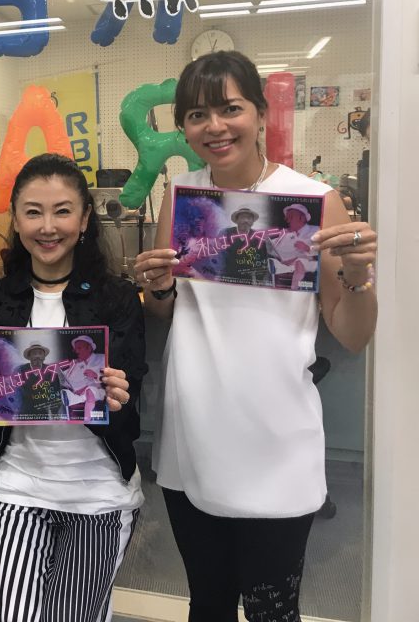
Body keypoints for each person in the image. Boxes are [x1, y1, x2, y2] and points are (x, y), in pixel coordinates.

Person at [134, 51, 377, 622]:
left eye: (230, 108)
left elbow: (351, 333)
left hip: (276, 437)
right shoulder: (183, 196)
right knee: (209, 604)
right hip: (194, 430)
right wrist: (157, 287)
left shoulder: (312, 201)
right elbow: (165, 310)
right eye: (197, 115)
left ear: (261, 113)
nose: (215, 126)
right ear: (184, 127)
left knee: (273, 610)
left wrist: (358, 276)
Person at [0, 153, 144, 622]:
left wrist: (119, 393)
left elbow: (131, 398)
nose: (48, 227)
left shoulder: (116, 299)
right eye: (33, 212)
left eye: (62, 211)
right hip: (17, 485)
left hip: (98, 490)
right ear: (16, 220)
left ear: (84, 218)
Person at [267, 203, 320, 290]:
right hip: (287, 264)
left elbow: (324, 252)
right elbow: (274, 251)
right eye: (286, 218)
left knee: (300, 261)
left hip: (309, 263)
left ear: (302, 218)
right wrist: (279, 239)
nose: (287, 220)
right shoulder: (286, 233)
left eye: (290, 217)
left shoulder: (316, 230)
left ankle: (294, 289)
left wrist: (307, 249)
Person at [59, 334, 108, 421]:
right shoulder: (76, 364)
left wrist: (96, 376)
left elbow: (110, 377)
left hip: (98, 390)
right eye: (75, 349)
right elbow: (67, 381)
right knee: (61, 392)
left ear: (89, 348)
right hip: (77, 392)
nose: (76, 351)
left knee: (90, 390)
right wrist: (70, 369)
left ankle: (87, 419)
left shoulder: (102, 358)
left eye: (79, 348)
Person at [221, 206, 269, 284]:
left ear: (253, 222)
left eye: (249, 218)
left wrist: (259, 280)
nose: (246, 220)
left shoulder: (259, 238)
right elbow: (217, 256)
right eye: (242, 217)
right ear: (236, 220)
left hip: (247, 280)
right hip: (225, 278)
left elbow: (263, 260)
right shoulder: (226, 233)